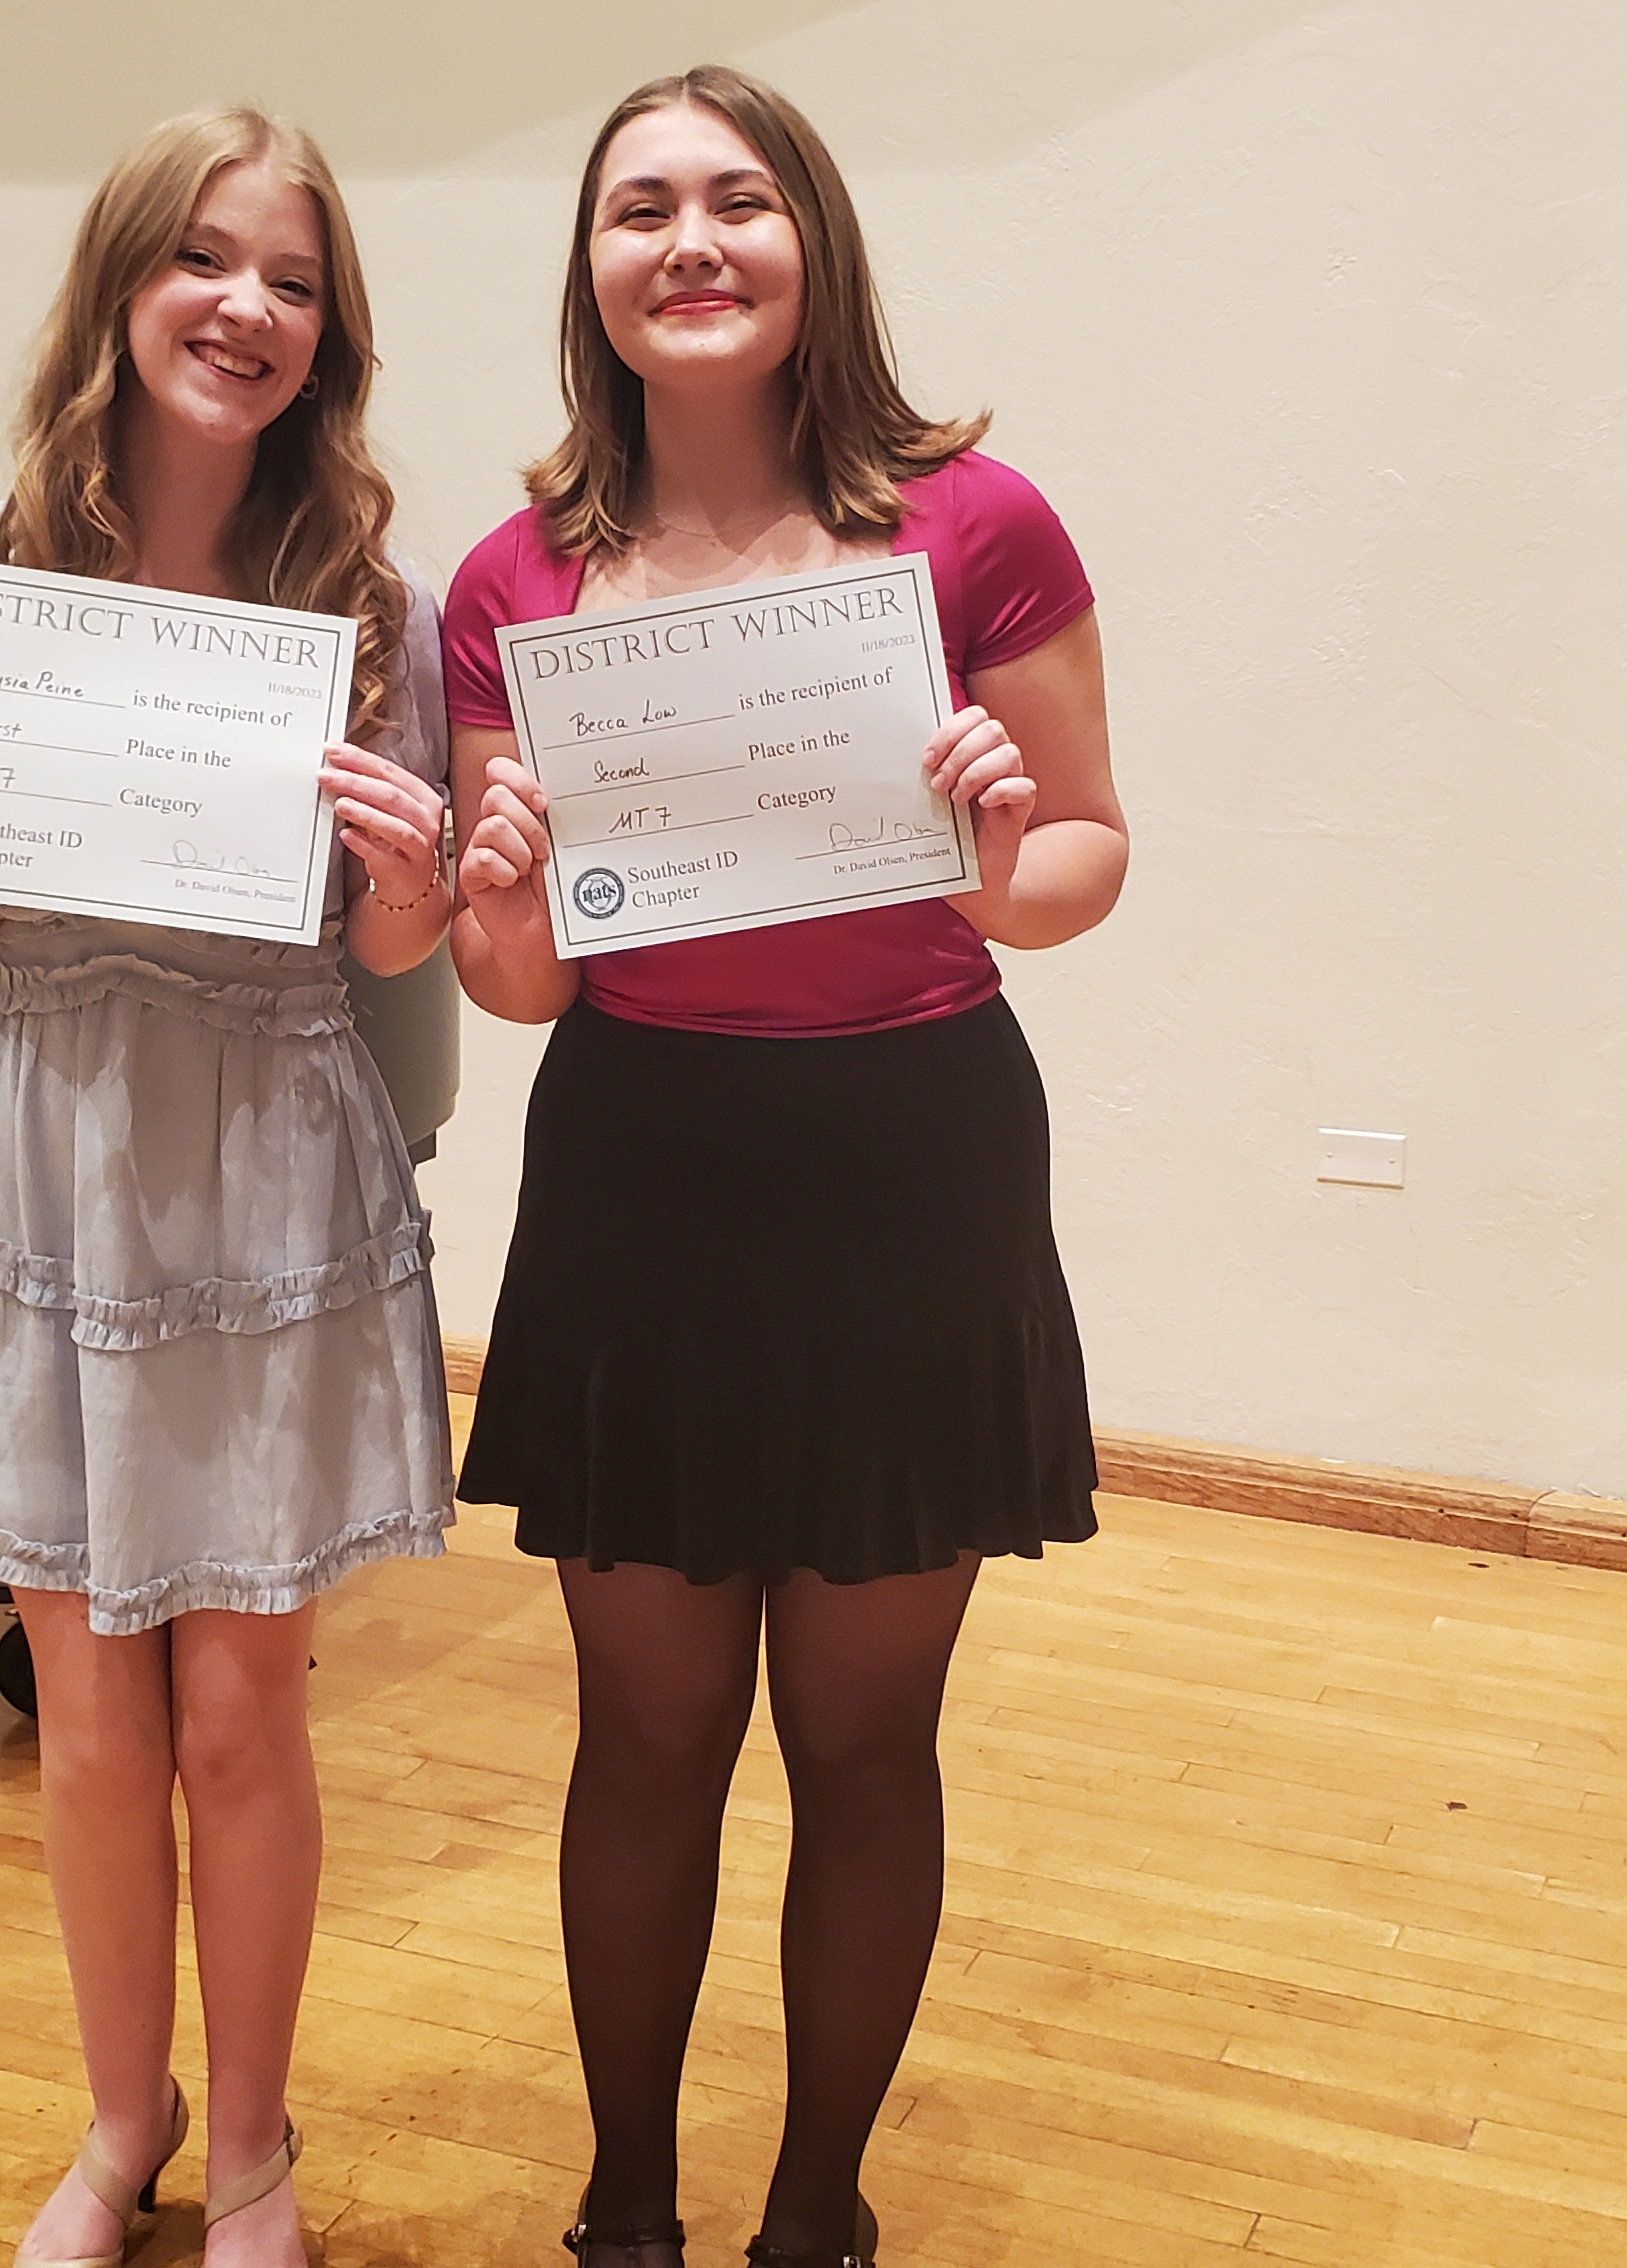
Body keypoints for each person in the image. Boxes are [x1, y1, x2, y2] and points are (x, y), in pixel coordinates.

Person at [440, 64, 1128, 2268]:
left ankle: (817, 2211)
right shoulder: (516, 577)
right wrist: (496, 890)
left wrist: (997, 850)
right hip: (641, 1166)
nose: (692, 243)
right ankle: (626, 2210)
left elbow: (1088, 858)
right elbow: (520, 986)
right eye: (640, 208)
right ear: (592, 272)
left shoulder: (978, 525)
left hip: (910, 1163)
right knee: (641, 1741)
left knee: (862, 1743)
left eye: (739, 200)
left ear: (812, 240)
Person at [0, 107, 456, 2268]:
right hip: (52, 1139)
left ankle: (254, 2148)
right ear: (120, 284)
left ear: (329, 336)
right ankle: (125, 2122)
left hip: (266, 1147)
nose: (246, 307)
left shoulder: (367, 601)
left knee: (244, 1708)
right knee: (89, 1705)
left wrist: (411, 867)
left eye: (295, 280)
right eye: (204, 257)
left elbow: (396, 952)